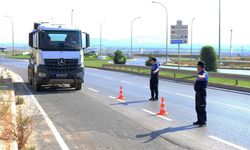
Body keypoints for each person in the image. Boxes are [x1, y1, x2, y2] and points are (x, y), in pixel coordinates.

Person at [193, 61, 209, 127]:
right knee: (197, 107)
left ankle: (203, 121)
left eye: (197, 66)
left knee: (202, 107)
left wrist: (200, 76)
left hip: (202, 93)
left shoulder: (204, 73)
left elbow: (203, 76)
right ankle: (199, 120)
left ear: (200, 66)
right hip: (198, 93)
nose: (196, 67)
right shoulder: (199, 73)